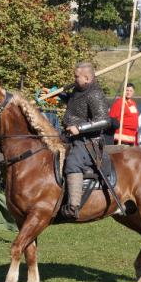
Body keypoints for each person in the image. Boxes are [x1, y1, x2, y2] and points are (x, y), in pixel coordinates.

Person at [41, 62, 110, 220]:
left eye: (76, 76)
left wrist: (80, 128)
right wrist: (58, 95)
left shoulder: (95, 93)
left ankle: (73, 206)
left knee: (72, 162)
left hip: (88, 140)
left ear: (87, 78)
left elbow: (104, 121)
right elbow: (75, 104)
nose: (73, 78)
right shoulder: (79, 90)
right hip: (71, 136)